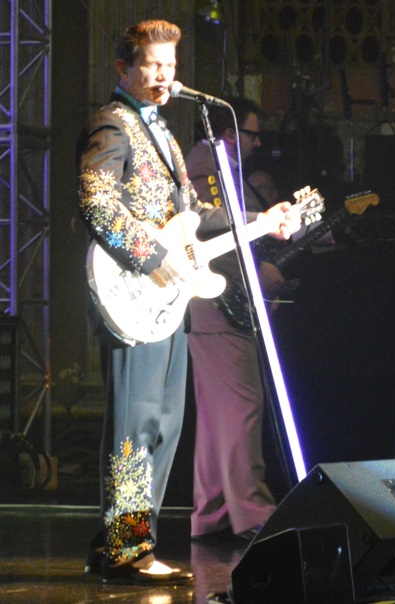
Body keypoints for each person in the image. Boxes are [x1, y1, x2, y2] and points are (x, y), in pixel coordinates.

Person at [76, 21, 300, 584]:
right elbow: (97, 202)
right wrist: (152, 257)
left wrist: (260, 221)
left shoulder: (167, 136)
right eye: (153, 65)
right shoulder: (112, 123)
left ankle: (123, 543)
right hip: (133, 293)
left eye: (170, 66)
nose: (164, 75)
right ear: (124, 69)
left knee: (165, 422)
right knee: (136, 422)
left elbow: (193, 216)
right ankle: (126, 551)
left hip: (168, 301)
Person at [186, 98, 292, 541]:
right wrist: (254, 271)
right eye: (252, 134)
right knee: (243, 407)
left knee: (219, 416)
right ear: (230, 134)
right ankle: (253, 511)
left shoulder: (214, 167)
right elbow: (207, 233)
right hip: (217, 301)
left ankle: (212, 513)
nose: (258, 143)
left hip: (214, 303)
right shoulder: (206, 166)